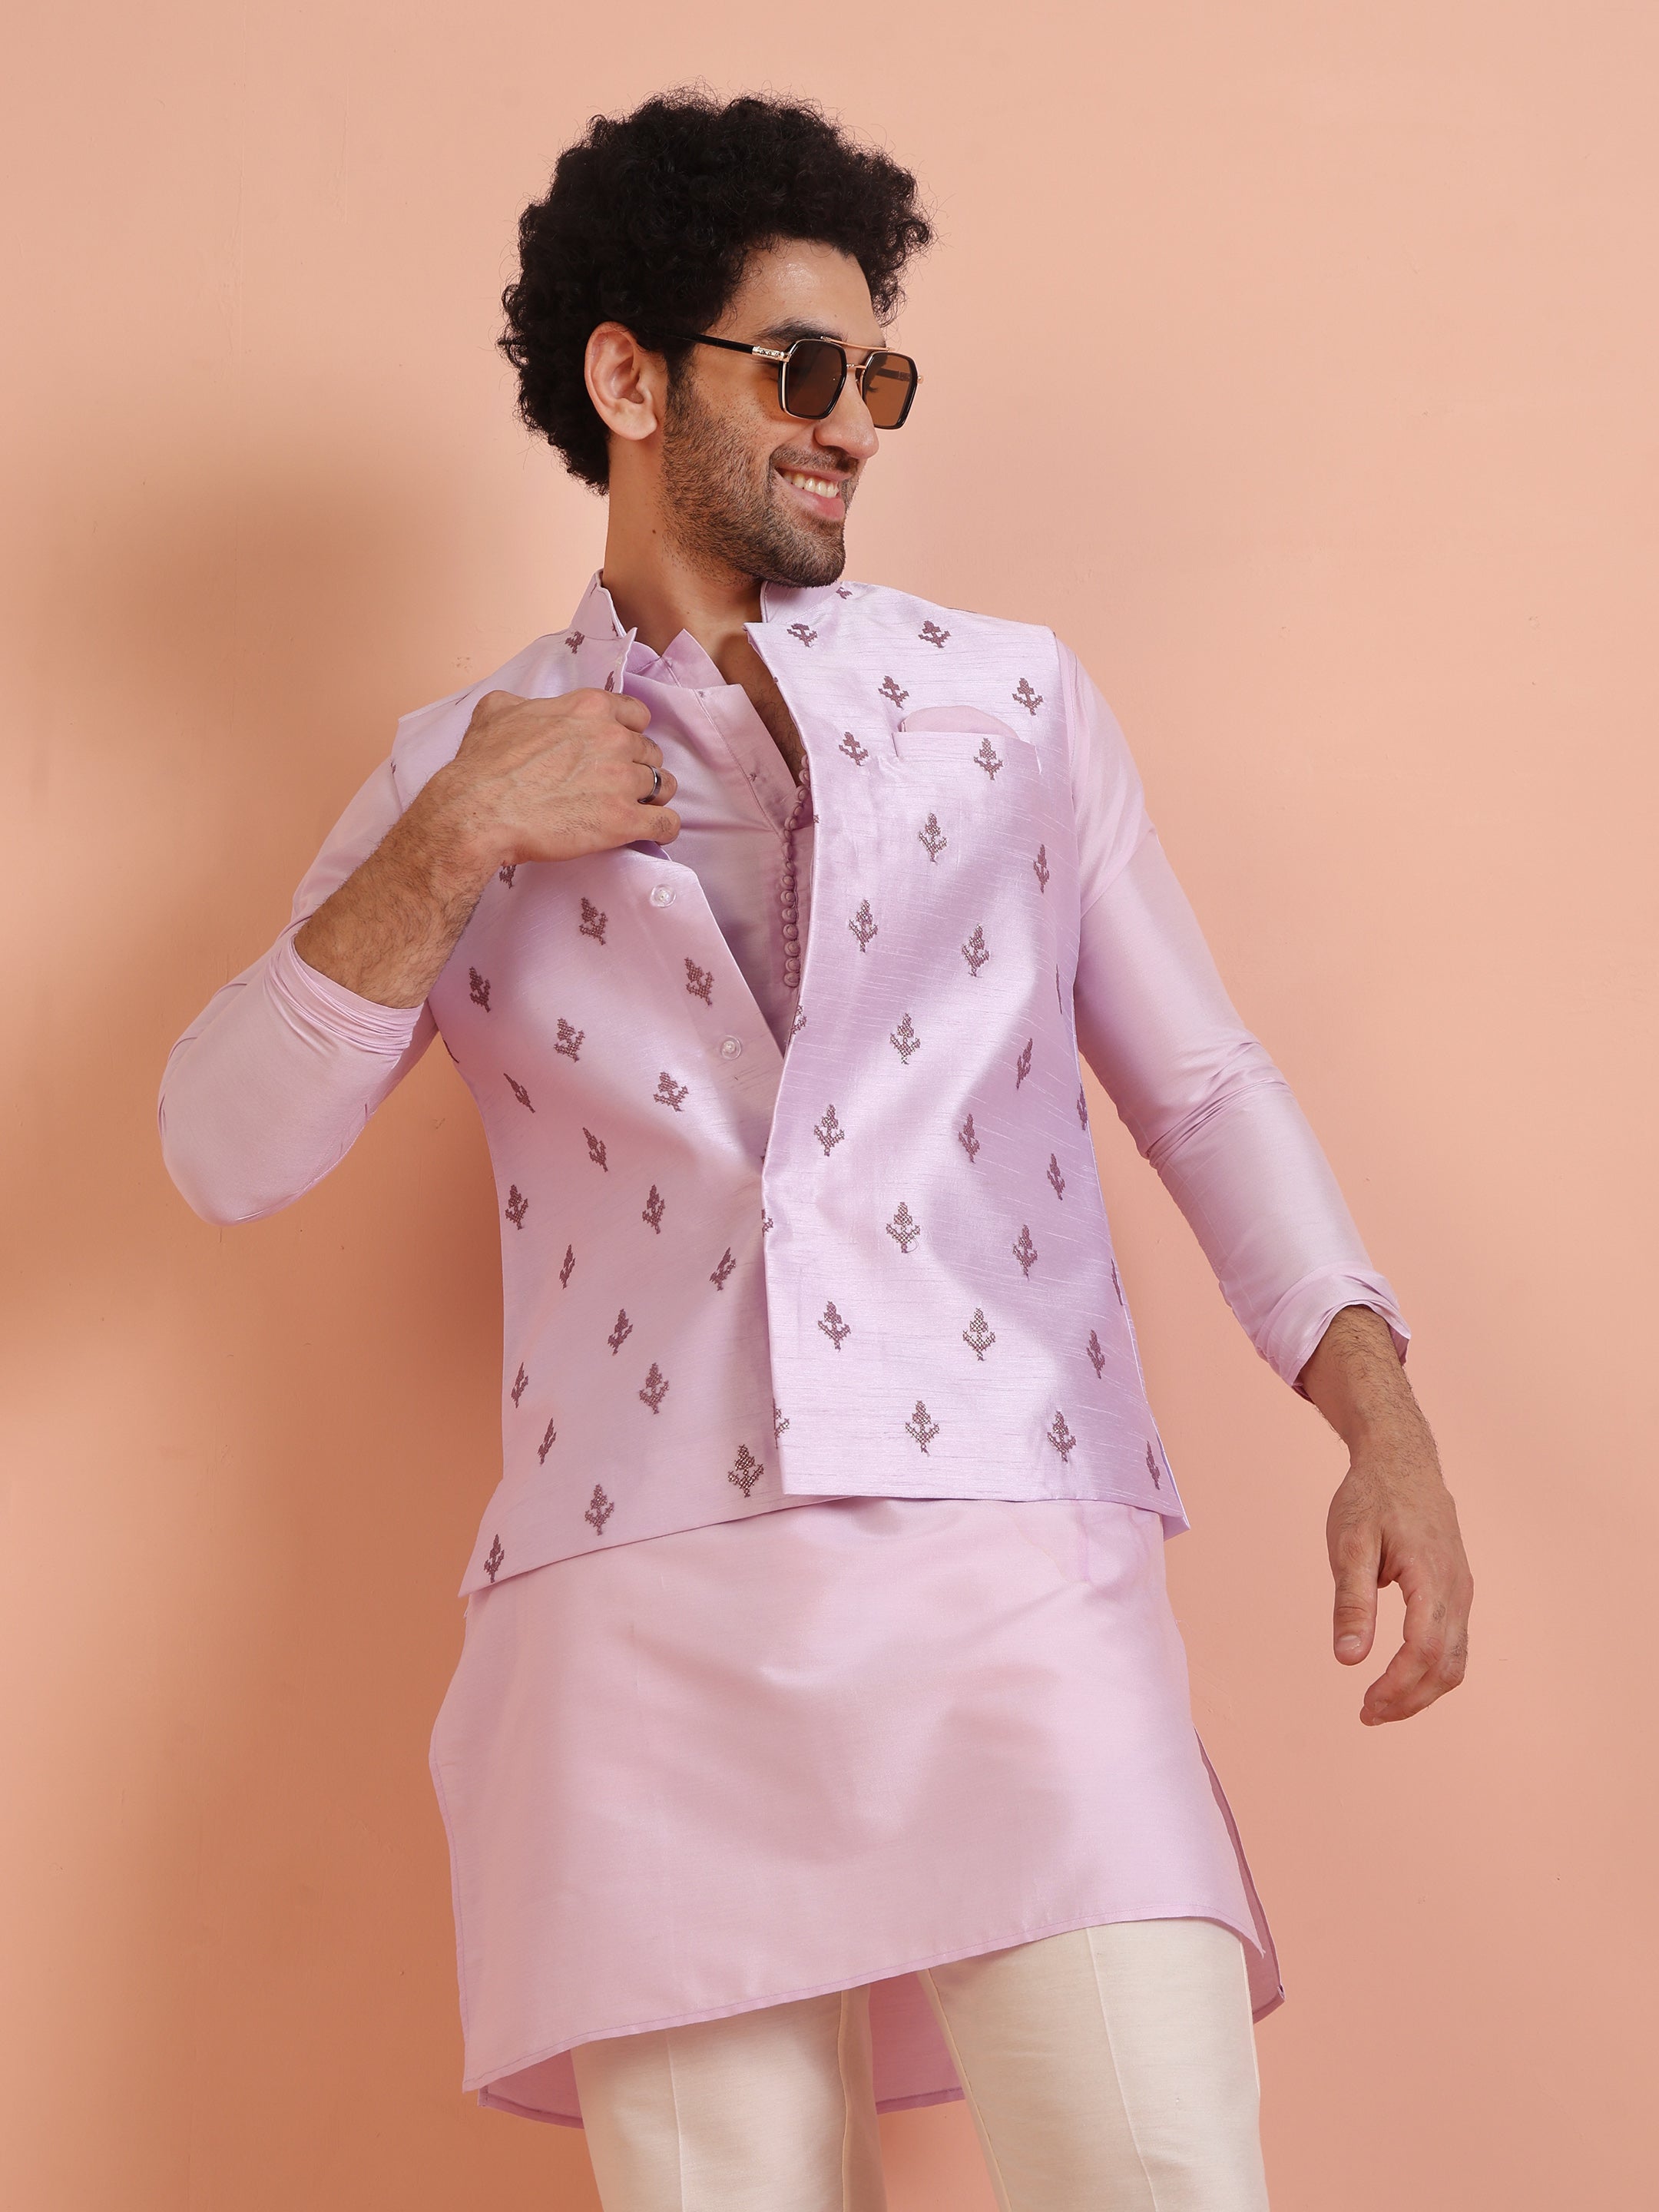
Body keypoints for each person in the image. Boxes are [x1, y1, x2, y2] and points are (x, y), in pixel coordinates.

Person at [157, 88, 1472, 2212]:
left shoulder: (1014, 708)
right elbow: (224, 1145)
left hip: (1010, 1561)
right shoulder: (454, 772)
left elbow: (1205, 1085)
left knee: (1160, 2173)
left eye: (881, 377)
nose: (853, 422)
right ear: (628, 380)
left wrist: (1380, 1416)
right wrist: (457, 836)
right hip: (639, 1621)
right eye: (798, 368)